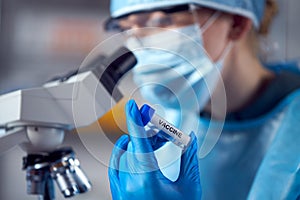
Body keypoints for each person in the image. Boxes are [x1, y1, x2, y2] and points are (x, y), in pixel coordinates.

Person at [105, 0, 300, 199]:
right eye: (126, 28)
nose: (138, 43)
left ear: (237, 24)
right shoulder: (168, 119)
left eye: (163, 20)